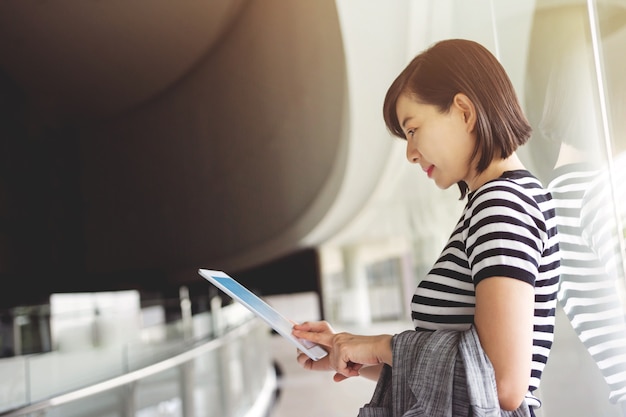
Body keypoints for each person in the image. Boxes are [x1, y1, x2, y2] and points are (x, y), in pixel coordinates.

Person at [292, 39, 560, 416]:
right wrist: (346, 350)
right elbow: (458, 383)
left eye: (413, 129)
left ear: (464, 111)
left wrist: (380, 345)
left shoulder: (502, 204)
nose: (410, 152)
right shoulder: (498, 201)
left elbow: (501, 383)